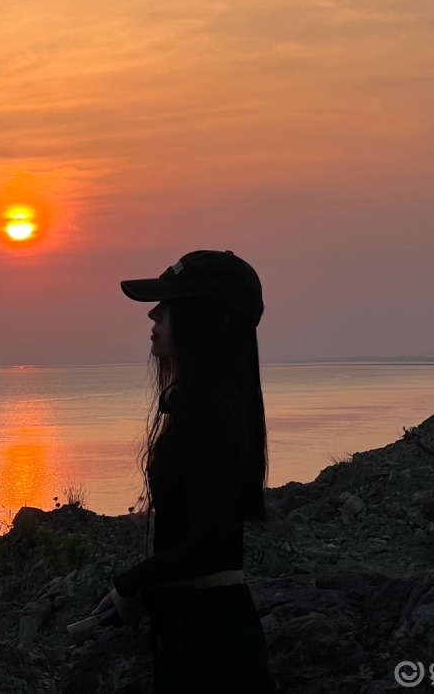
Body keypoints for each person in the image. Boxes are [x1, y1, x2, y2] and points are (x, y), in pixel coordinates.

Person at [91, 249, 275, 693]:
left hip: (209, 640)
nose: (153, 313)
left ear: (207, 320)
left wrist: (129, 585)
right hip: (199, 624)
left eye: (170, 303)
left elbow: (210, 547)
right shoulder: (213, 403)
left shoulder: (210, 412)